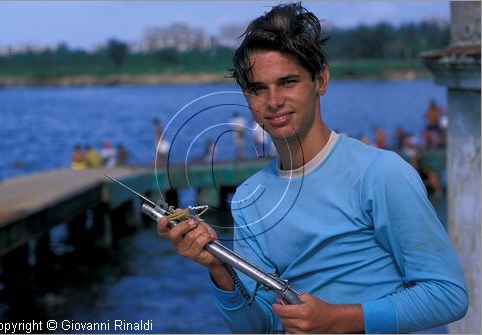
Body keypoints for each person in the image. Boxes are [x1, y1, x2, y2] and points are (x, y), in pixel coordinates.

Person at [157, 3, 467, 334]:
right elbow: (256, 325)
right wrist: (218, 266)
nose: (272, 101)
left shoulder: (381, 174)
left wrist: (338, 319)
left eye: (287, 82)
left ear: (320, 80)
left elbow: (447, 296)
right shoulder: (249, 198)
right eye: (258, 88)